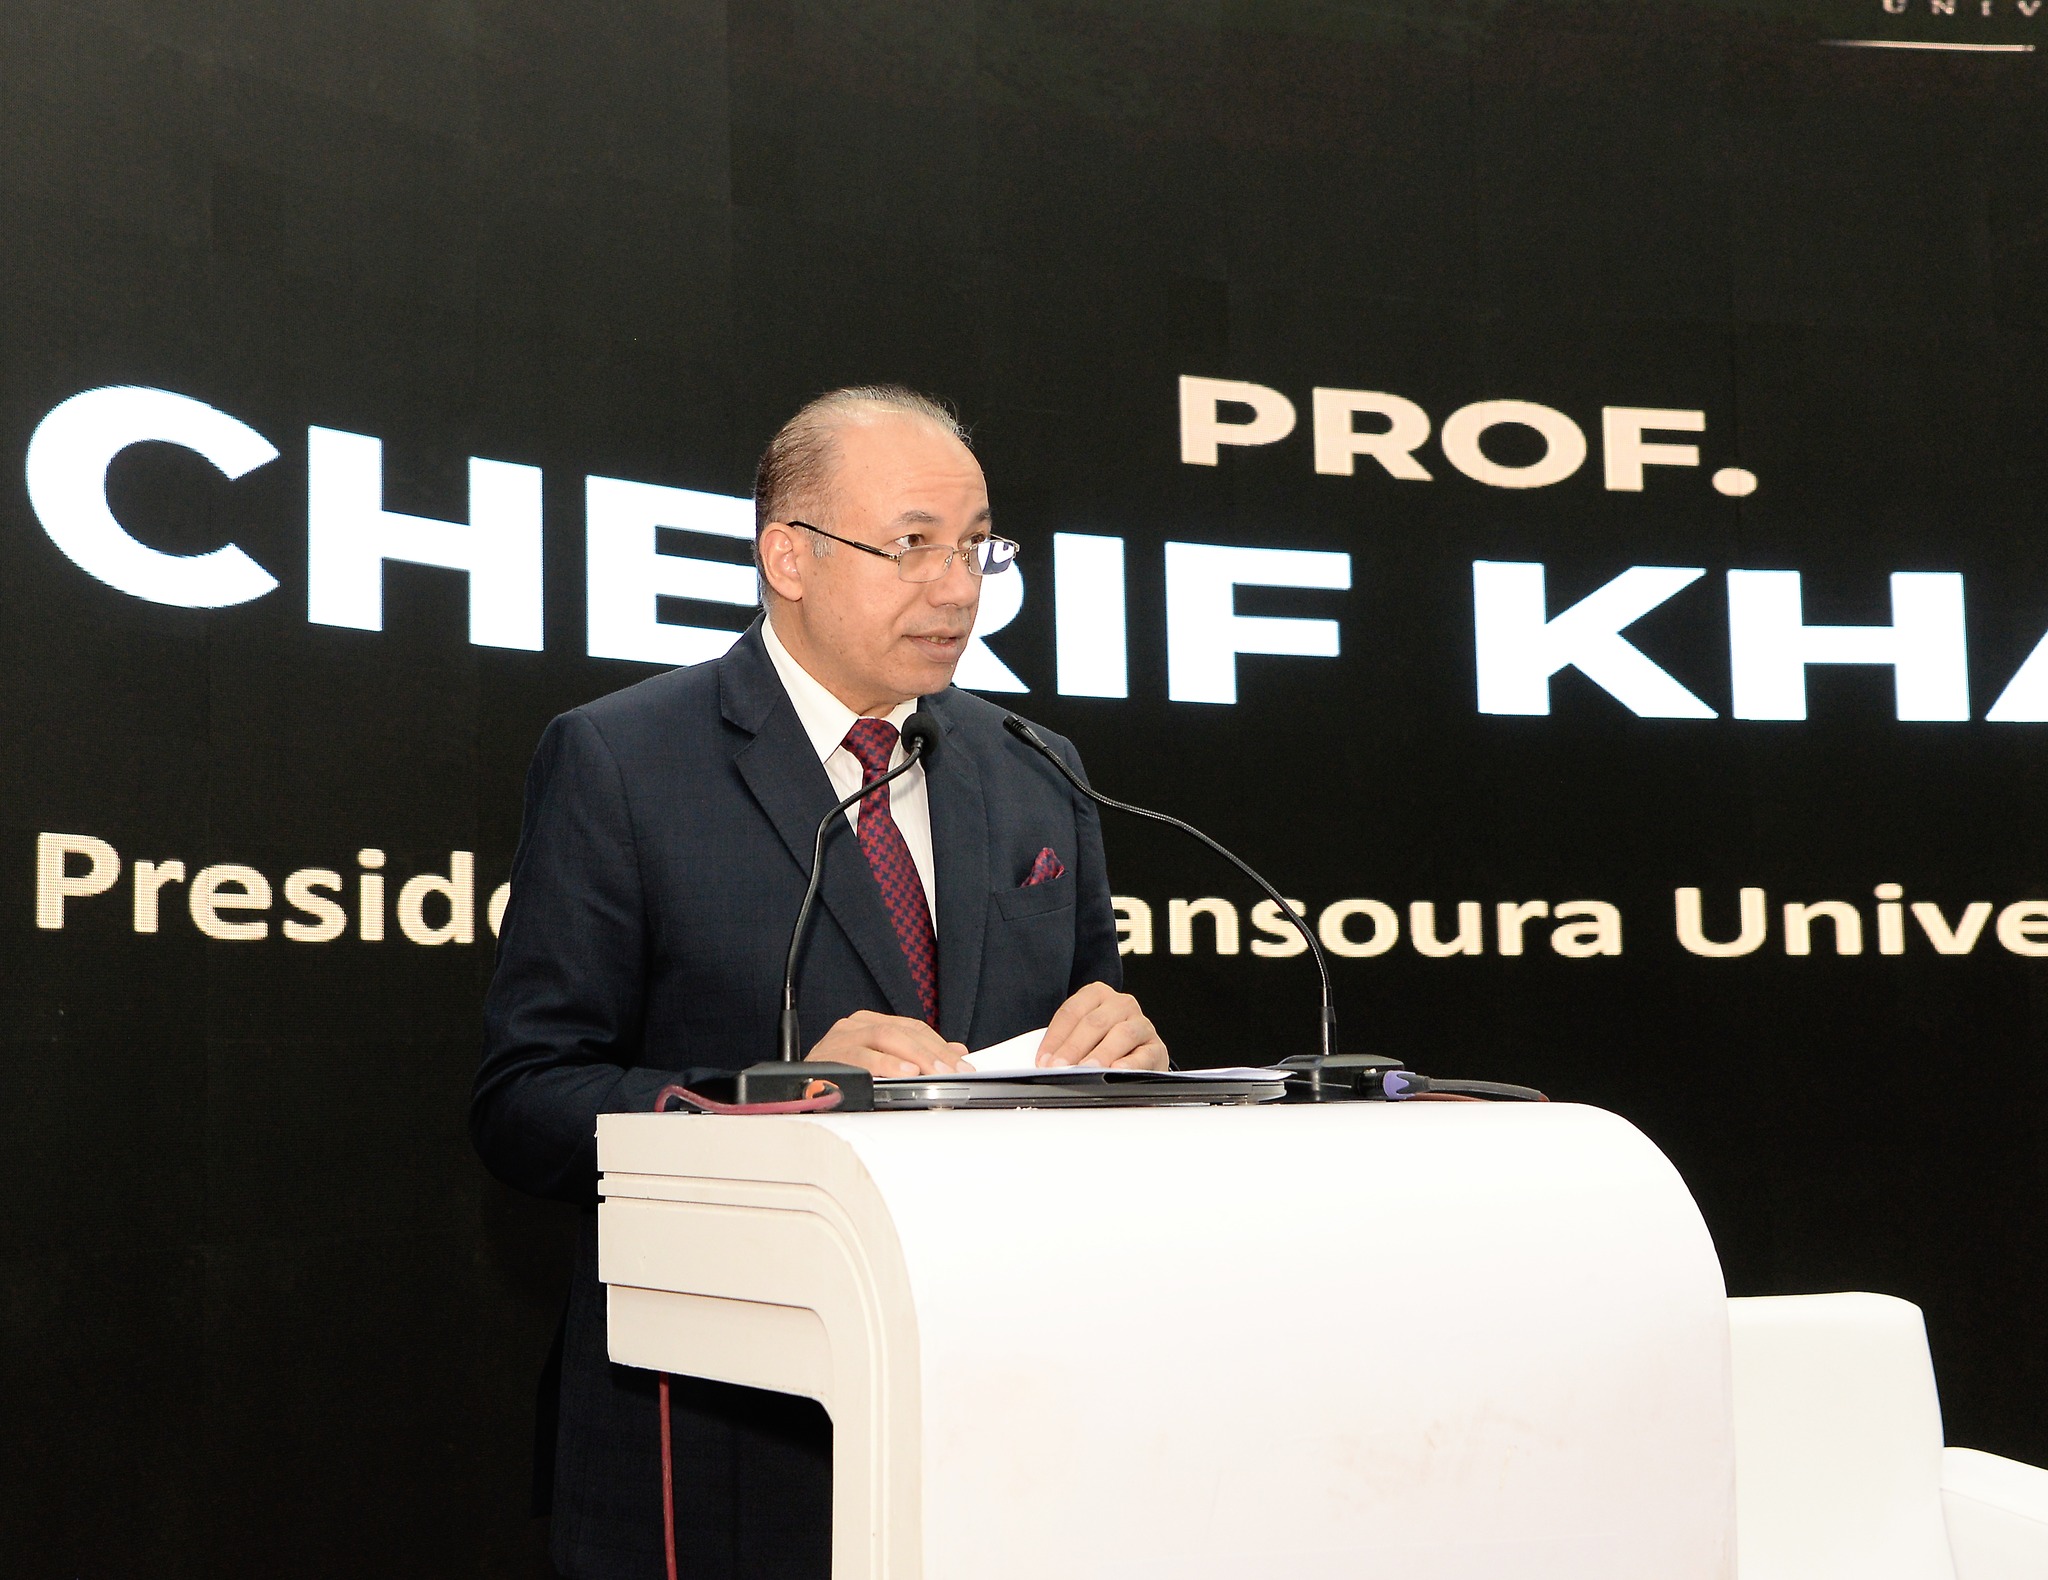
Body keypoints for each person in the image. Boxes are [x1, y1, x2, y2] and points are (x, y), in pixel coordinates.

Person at [472, 385, 1167, 1579]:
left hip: (999, 1407)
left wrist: (1122, 1061)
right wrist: (772, 1097)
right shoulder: (625, 758)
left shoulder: (1034, 766)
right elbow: (526, 1100)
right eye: (912, 545)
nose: (956, 588)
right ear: (787, 556)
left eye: (976, 546)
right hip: (722, 1426)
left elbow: (1081, 1048)